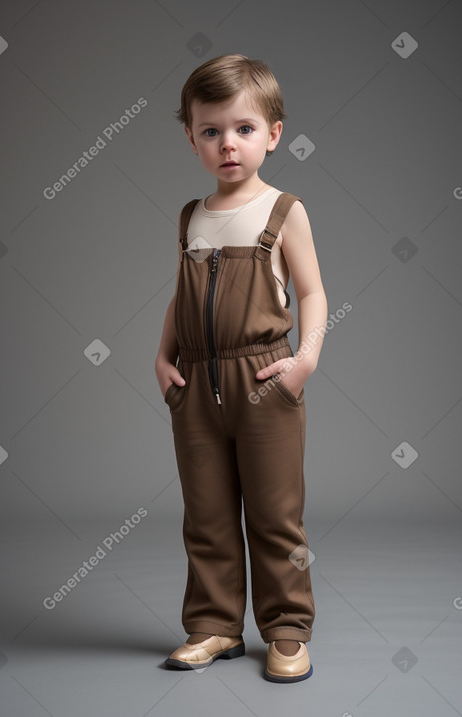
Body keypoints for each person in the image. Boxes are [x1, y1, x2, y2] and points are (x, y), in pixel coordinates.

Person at [154, 53, 328, 683]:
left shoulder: (284, 211)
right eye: (211, 131)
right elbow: (180, 295)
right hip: (196, 383)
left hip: (263, 384)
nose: (228, 143)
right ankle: (214, 625)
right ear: (192, 139)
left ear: (274, 134)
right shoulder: (190, 217)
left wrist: (303, 362)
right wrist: (162, 356)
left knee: (276, 514)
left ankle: (286, 629)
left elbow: (311, 293)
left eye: (244, 128)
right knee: (205, 513)